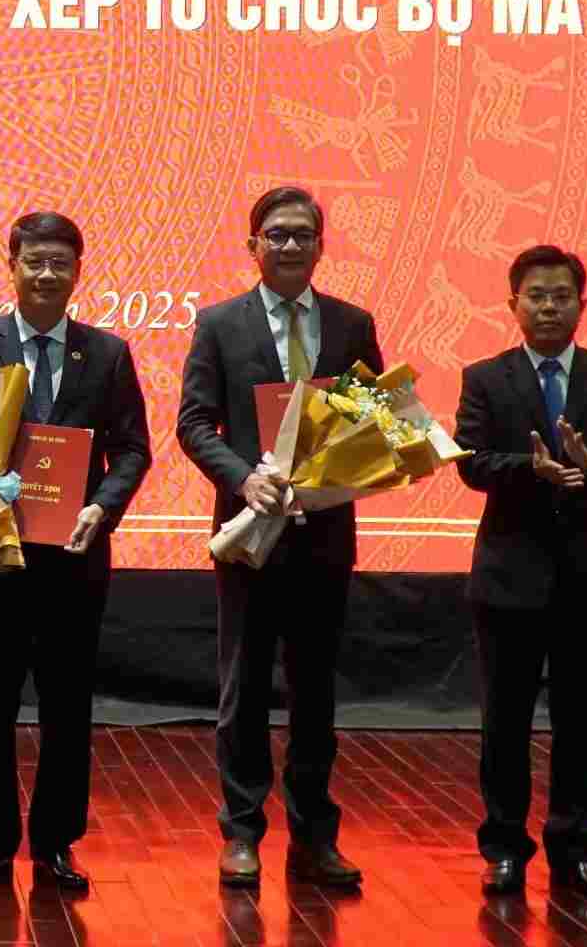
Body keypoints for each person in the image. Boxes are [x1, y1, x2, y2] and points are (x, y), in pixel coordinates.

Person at [0, 212, 150, 893]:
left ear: (77, 271)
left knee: (67, 707)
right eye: (35, 261)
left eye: (60, 262)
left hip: (74, 560)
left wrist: (102, 506)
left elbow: (132, 449)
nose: (47, 274)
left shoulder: (107, 354)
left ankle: (56, 843)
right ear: (12, 265)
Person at [176, 185, 382, 890]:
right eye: (276, 234)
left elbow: (373, 419)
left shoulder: (353, 324)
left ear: (321, 245)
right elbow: (194, 423)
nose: (290, 244)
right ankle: (240, 832)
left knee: (315, 693)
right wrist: (243, 479)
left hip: (324, 536)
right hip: (249, 534)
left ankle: (315, 836)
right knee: (243, 687)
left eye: (302, 234)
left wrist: (368, 456)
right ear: (253, 245)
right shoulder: (219, 324)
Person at [453, 245, 587, 900]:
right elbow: (471, 462)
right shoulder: (485, 377)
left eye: (561, 296)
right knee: (504, 722)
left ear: (581, 305)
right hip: (508, 577)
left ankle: (575, 850)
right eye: (536, 296)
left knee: (581, 723)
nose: (549, 307)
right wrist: (530, 469)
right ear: (512, 304)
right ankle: (504, 849)